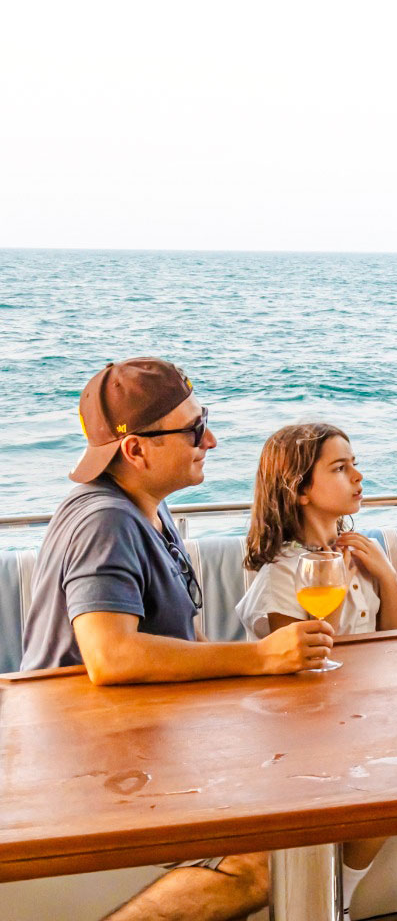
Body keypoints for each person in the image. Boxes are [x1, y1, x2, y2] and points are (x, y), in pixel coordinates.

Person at [20, 358, 330, 921]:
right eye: (192, 430)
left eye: (202, 419)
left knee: (313, 782)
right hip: (89, 769)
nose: (209, 438)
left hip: (135, 744)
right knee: (270, 859)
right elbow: (110, 656)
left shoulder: (149, 509)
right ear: (136, 450)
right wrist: (260, 657)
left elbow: (182, 637)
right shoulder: (104, 521)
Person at [236, 423, 397, 921]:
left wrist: (384, 573)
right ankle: (339, 902)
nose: (358, 475)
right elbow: (304, 662)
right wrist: (329, 583)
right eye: (340, 467)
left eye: (353, 463)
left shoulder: (358, 551)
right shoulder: (282, 572)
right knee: (387, 785)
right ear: (300, 488)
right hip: (306, 722)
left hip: (364, 705)